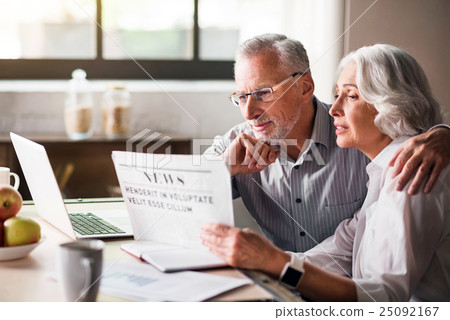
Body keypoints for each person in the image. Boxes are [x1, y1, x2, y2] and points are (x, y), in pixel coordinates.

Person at [200, 44, 450, 301]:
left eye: (351, 96)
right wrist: (264, 262)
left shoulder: (413, 170)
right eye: (241, 97)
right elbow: (341, 249)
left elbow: (382, 298)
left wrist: (276, 263)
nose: (334, 109)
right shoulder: (379, 171)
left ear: (392, 104)